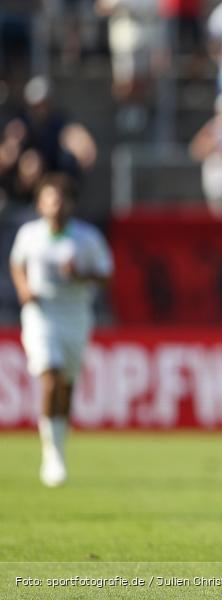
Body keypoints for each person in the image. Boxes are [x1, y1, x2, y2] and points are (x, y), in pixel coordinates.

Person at [9, 174, 113, 487]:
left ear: (70, 203)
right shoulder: (29, 234)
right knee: (50, 375)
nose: (55, 206)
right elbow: (17, 263)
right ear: (40, 203)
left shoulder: (86, 238)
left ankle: (59, 445)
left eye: (61, 200)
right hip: (41, 315)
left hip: (75, 317)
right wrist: (24, 288)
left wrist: (81, 274)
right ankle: (50, 454)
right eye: (50, 200)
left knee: (66, 384)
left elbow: (107, 275)